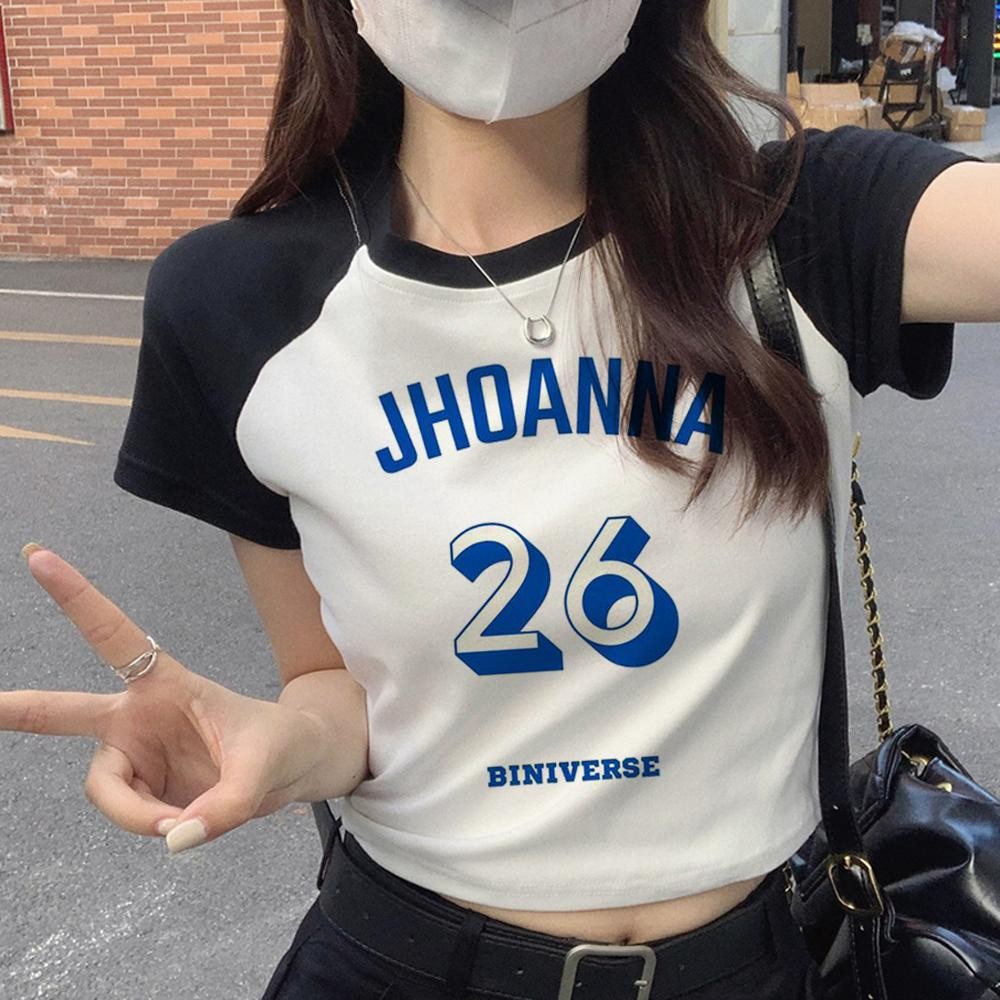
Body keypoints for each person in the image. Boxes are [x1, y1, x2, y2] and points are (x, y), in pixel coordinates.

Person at [7, 1, 997, 998]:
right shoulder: (238, 298)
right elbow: (331, 686)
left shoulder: (800, 224)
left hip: (756, 966)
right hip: (400, 963)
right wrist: (282, 744)